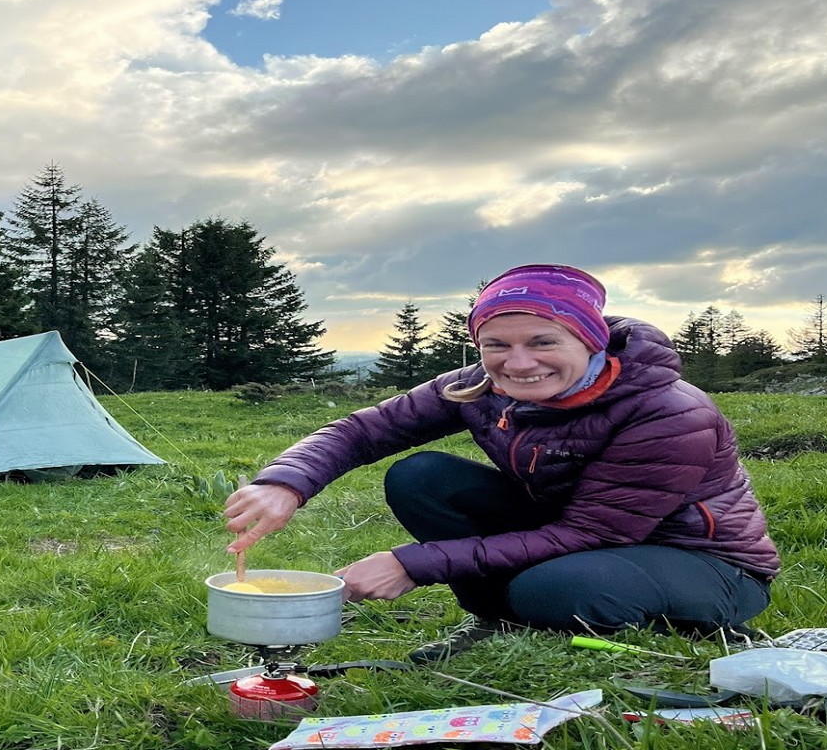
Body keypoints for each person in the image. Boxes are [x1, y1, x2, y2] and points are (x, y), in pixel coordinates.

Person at [224, 263, 779, 663]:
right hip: (577, 534)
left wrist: (413, 564)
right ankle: (498, 620)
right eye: (496, 345)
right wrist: (285, 484)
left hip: (703, 562)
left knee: (553, 590)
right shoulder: (478, 386)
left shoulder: (669, 413)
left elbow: (595, 531)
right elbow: (365, 430)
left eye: (543, 342)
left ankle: (665, 627)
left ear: (590, 341)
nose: (519, 363)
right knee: (422, 477)